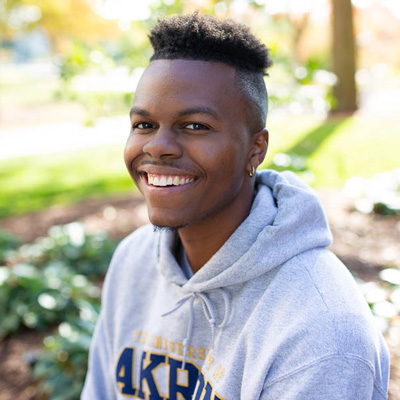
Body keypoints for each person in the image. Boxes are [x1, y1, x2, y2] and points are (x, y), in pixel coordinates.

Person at [82, 12, 389, 400]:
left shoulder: (320, 327)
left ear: (255, 149)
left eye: (195, 126)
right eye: (144, 125)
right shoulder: (134, 259)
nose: (156, 146)